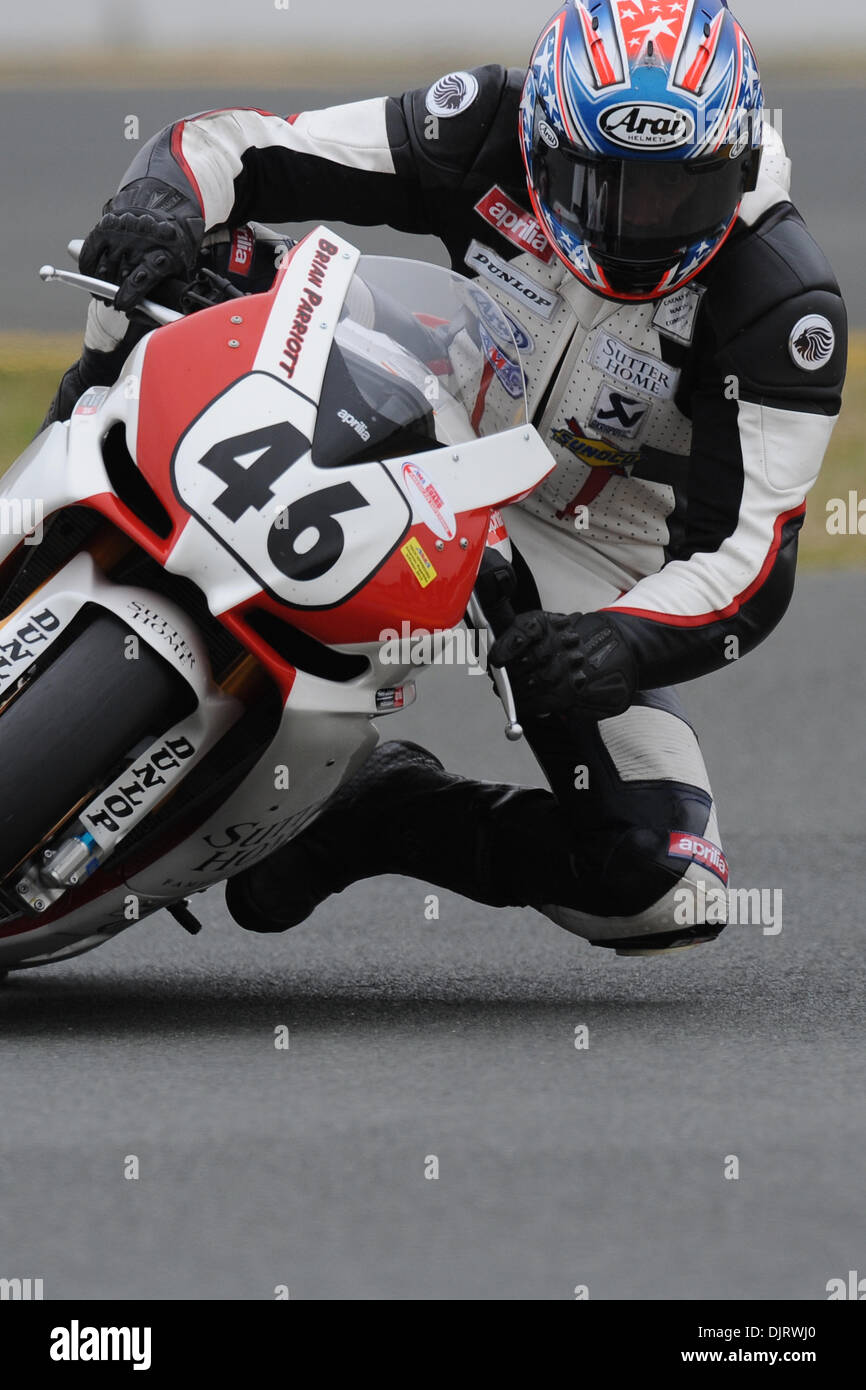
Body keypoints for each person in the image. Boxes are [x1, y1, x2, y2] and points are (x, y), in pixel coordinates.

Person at [47, 1, 847, 956]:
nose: (636, 228)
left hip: (580, 551)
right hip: (412, 400)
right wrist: (163, 200)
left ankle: (375, 810)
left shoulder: (785, 307)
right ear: (543, 141)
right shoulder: (480, 124)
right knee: (163, 255)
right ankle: (46, 490)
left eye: (677, 195)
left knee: (664, 876)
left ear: (741, 171)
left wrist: (619, 643)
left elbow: (751, 556)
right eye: (601, 186)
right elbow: (241, 146)